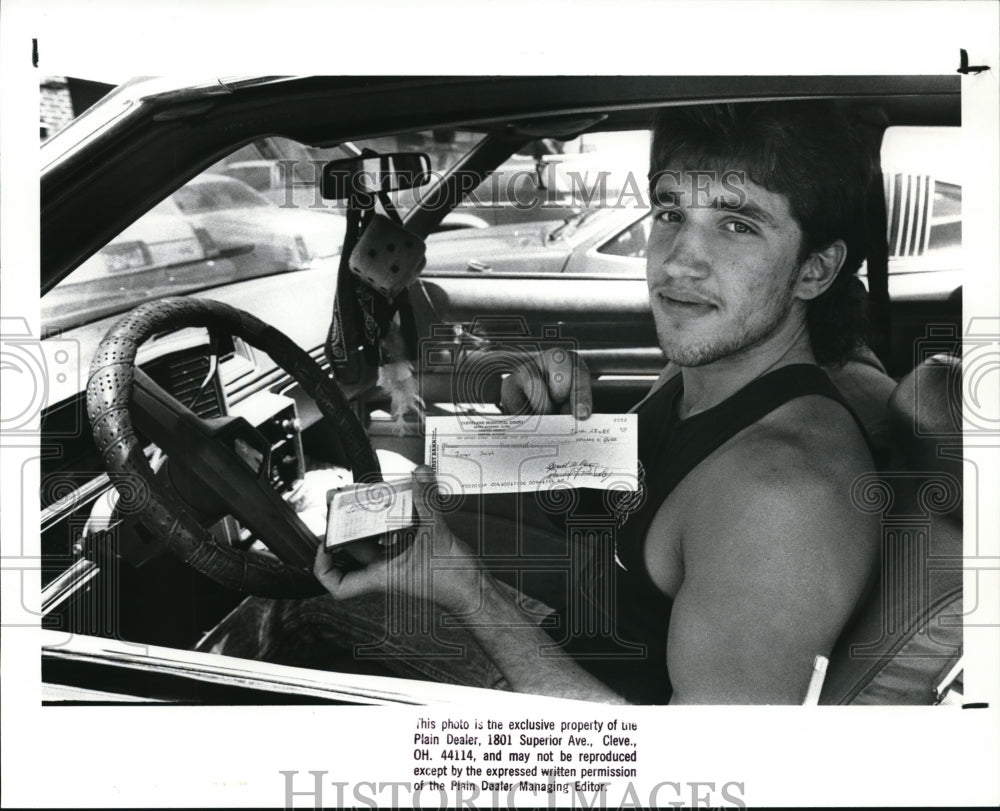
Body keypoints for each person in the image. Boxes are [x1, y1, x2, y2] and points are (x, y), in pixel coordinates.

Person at [205, 102, 883, 704]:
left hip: (576, 715)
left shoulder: (782, 498)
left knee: (282, 610)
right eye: (671, 213)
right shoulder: (708, 378)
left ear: (815, 269)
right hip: (578, 632)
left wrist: (463, 587)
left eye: (738, 225)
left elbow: (690, 778)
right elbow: (639, 513)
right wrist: (545, 422)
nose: (678, 262)